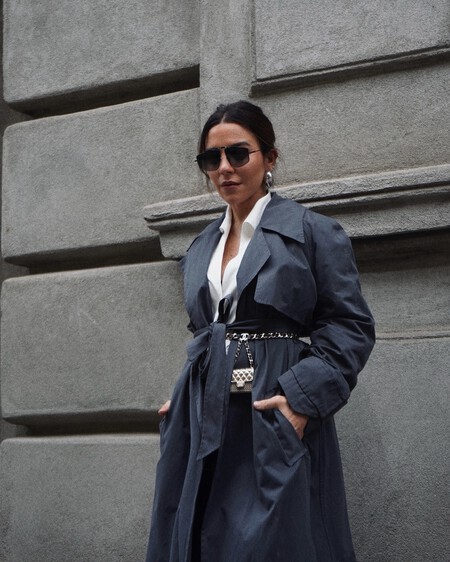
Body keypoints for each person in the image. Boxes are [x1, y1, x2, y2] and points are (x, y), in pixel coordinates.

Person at [146, 100, 375, 562]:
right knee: (196, 533)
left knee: (276, 540)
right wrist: (185, 390)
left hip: (271, 407)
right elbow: (206, 330)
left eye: (238, 153)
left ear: (269, 158)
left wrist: (300, 401)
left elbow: (349, 325)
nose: (224, 168)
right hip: (203, 414)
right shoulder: (201, 246)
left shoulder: (312, 232)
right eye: (211, 158)